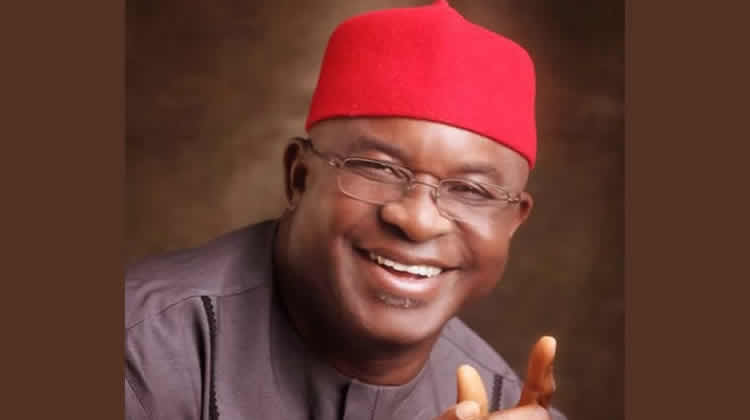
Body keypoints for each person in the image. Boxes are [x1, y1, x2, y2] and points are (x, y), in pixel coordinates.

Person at [125, 1, 565, 419]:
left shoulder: (507, 405)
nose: (417, 221)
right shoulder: (140, 351)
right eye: (378, 169)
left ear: (513, 221)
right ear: (299, 177)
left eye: (470, 190)